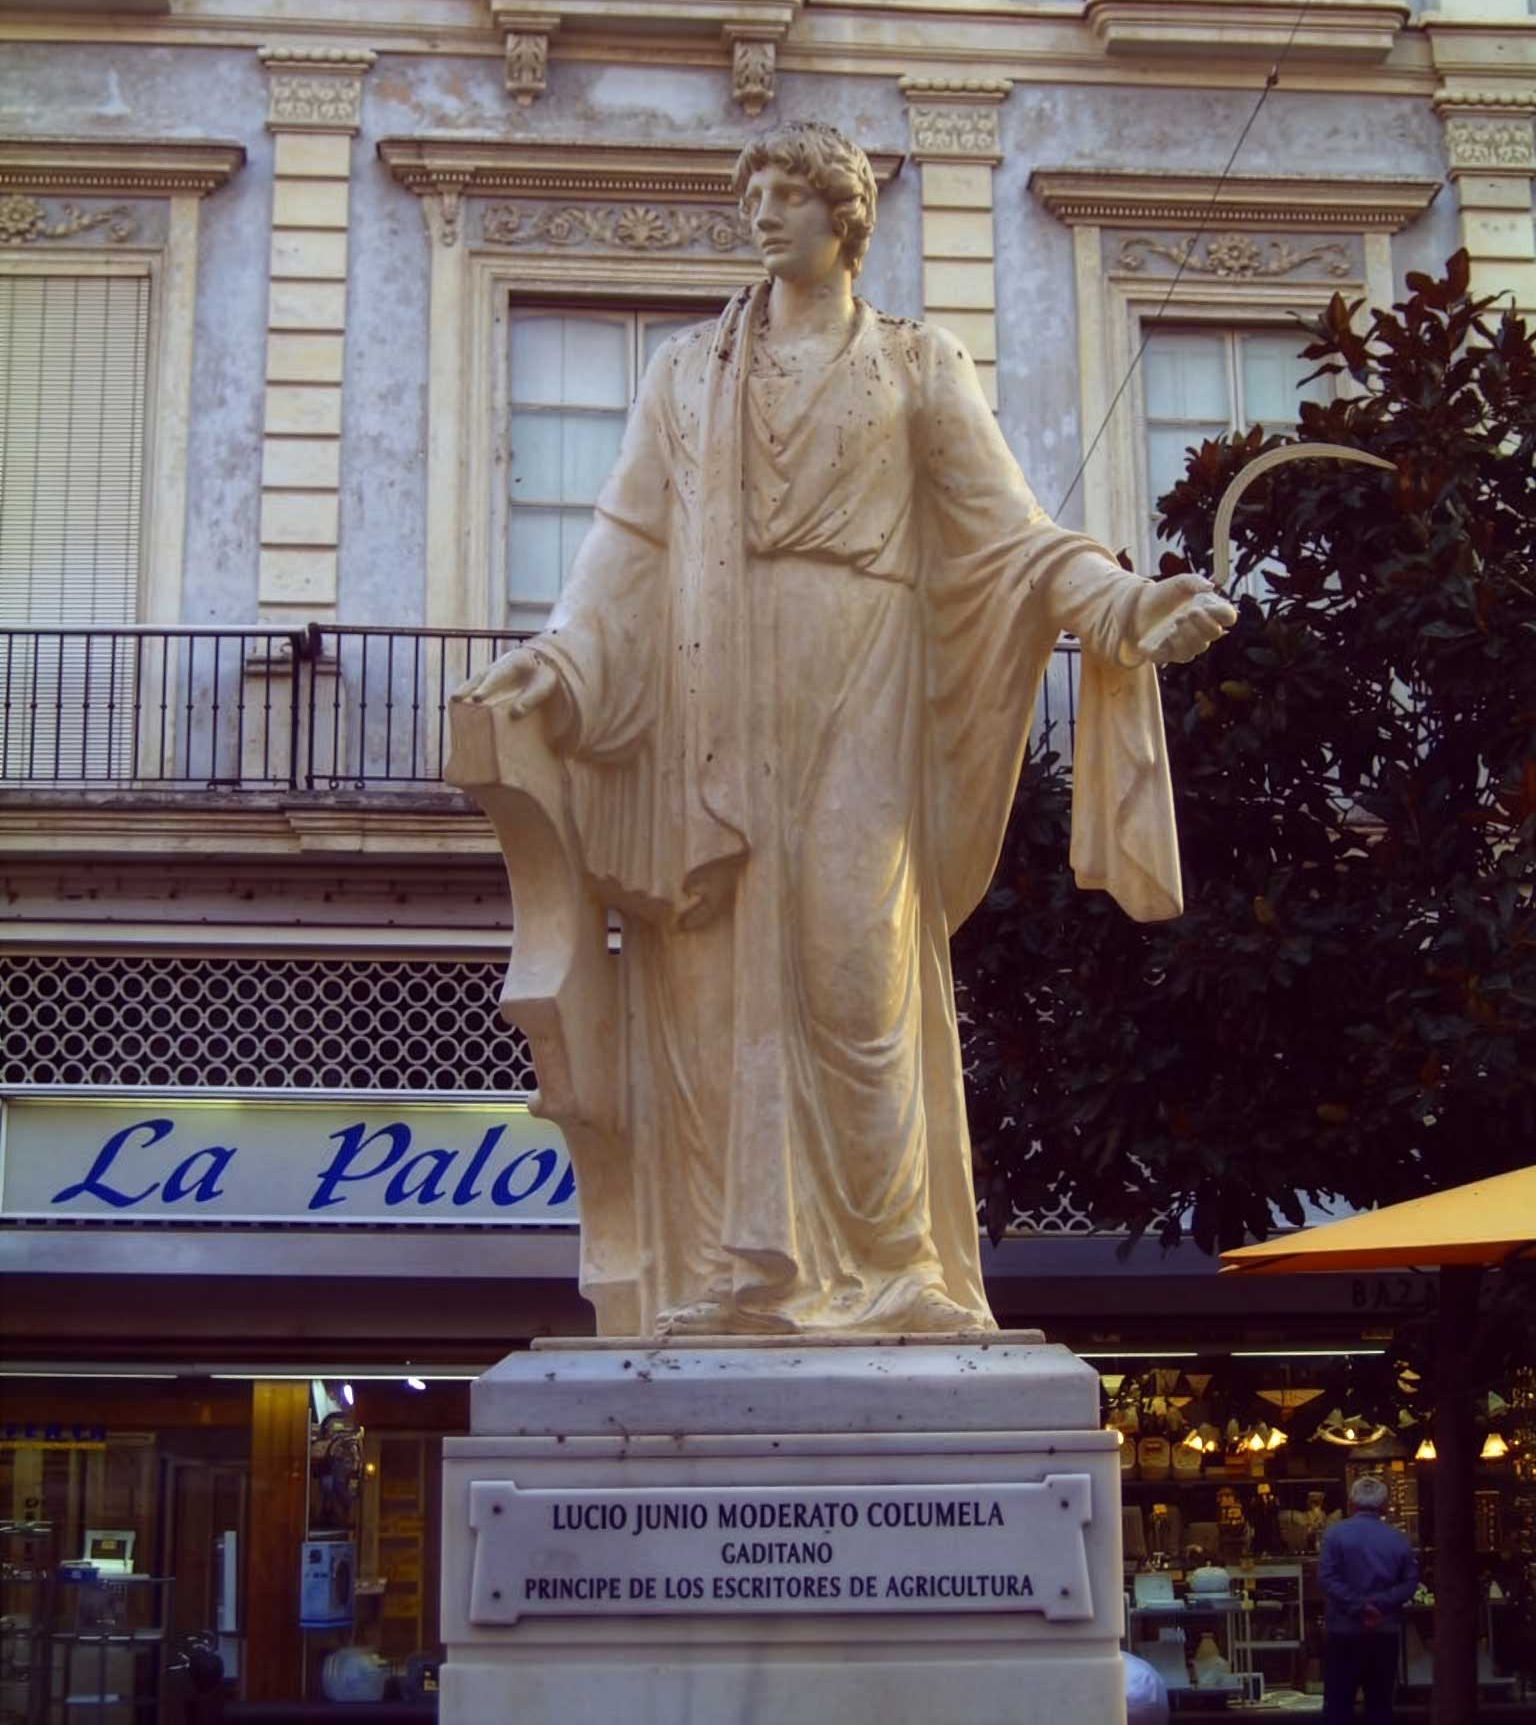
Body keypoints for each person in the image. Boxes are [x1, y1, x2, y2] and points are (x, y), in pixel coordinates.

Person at [454, 122, 1234, 1337]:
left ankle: (897, 1264)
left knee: (855, 966)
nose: (763, 213)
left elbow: (1010, 534)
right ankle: (737, 1267)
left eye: (790, 193)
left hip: (863, 672)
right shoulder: (685, 374)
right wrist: (559, 661)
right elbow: (629, 544)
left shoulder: (919, 364)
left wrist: (1123, 606)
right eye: (753, 192)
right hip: (721, 686)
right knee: (721, 990)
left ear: (844, 218)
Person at [1318, 1475, 1418, 1725]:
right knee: (1380, 1705)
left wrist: (1358, 1606)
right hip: (1384, 1631)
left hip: (1343, 1632)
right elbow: (1409, 1583)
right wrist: (1381, 1605)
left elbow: (1327, 1578)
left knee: (1339, 1706)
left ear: (1351, 1504)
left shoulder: (1334, 1535)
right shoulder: (1398, 1539)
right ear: (1384, 1506)